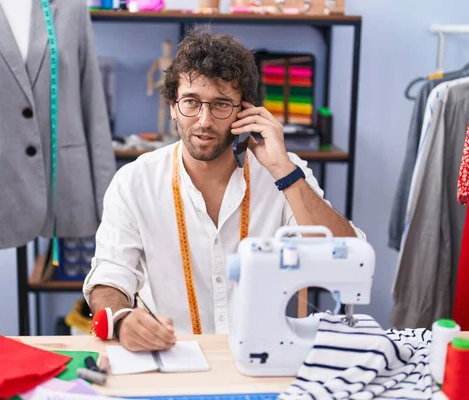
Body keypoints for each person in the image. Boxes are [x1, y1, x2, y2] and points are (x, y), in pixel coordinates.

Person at [83, 28, 365, 352]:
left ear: (245, 112)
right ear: (173, 107)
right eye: (191, 102)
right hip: (170, 355)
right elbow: (110, 273)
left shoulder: (284, 174)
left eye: (220, 104)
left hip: (262, 356)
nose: (203, 121)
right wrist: (120, 318)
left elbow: (349, 258)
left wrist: (284, 171)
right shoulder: (134, 182)